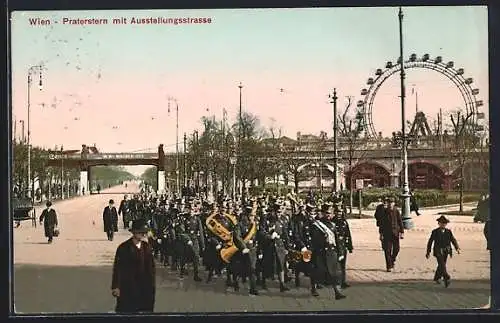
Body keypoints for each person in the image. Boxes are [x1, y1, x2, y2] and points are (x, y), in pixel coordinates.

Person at [111, 219, 156, 313]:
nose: (143, 234)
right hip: (128, 287)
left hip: (144, 287)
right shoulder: (123, 248)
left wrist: (152, 287)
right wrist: (116, 286)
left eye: (144, 232)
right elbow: (118, 268)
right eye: (141, 232)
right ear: (134, 233)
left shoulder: (147, 247)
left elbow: (151, 269)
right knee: (127, 313)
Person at [426, 215, 460, 287]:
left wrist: (457, 248)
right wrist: (428, 252)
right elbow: (430, 242)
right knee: (442, 264)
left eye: (444, 223)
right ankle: (446, 277)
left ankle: (437, 278)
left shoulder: (448, 232)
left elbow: (453, 240)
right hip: (438, 250)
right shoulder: (435, 232)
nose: (443, 224)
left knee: (441, 265)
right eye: (441, 223)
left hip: (446, 251)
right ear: (438, 223)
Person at [378, 197, 404, 272]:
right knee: (387, 250)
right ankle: (389, 266)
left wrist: (402, 232)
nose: (390, 204)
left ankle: (392, 260)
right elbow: (381, 224)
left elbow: (400, 221)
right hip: (387, 234)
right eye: (389, 203)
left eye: (392, 203)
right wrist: (381, 234)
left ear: (394, 203)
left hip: (395, 233)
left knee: (397, 249)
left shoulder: (396, 211)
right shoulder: (384, 212)